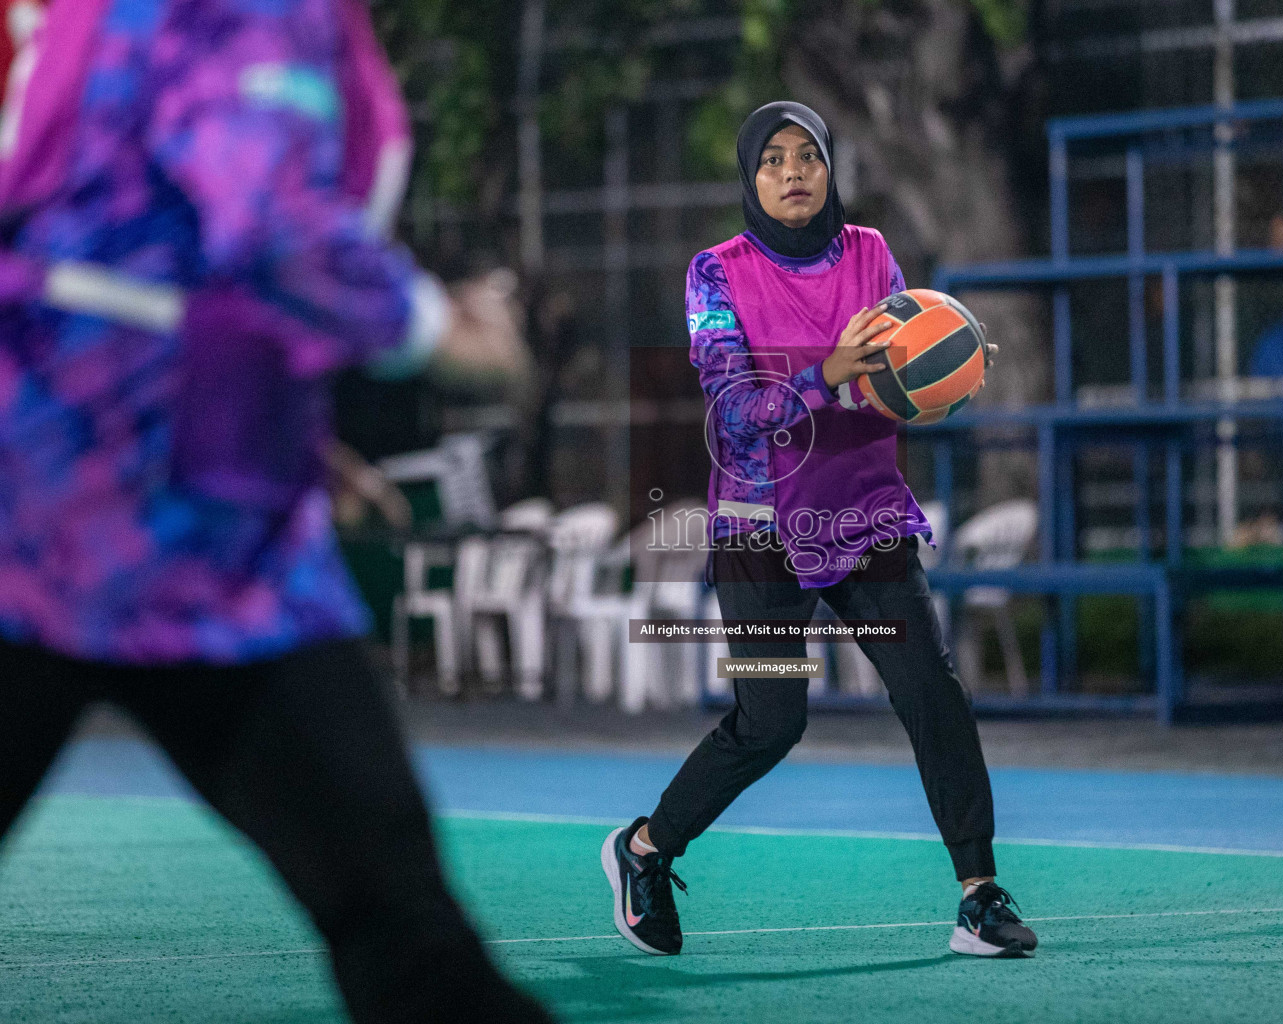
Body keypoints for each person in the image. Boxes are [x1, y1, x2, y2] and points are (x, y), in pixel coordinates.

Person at [0, 1, 550, 1021]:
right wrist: (443, 331)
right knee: (407, 937)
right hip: (131, 529)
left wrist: (286, 429)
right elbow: (267, 216)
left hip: (139, 503)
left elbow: (126, 245)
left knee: (404, 930)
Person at [600, 101, 1038, 961]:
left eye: (808, 155)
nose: (793, 171)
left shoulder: (872, 255)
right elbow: (733, 412)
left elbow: (904, 362)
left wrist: (937, 377)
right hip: (761, 530)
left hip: (865, 516)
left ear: (831, 167)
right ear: (750, 178)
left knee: (932, 692)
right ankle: (644, 850)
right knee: (772, 723)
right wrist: (825, 375)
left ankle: (978, 896)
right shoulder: (714, 273)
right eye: (773, 159)